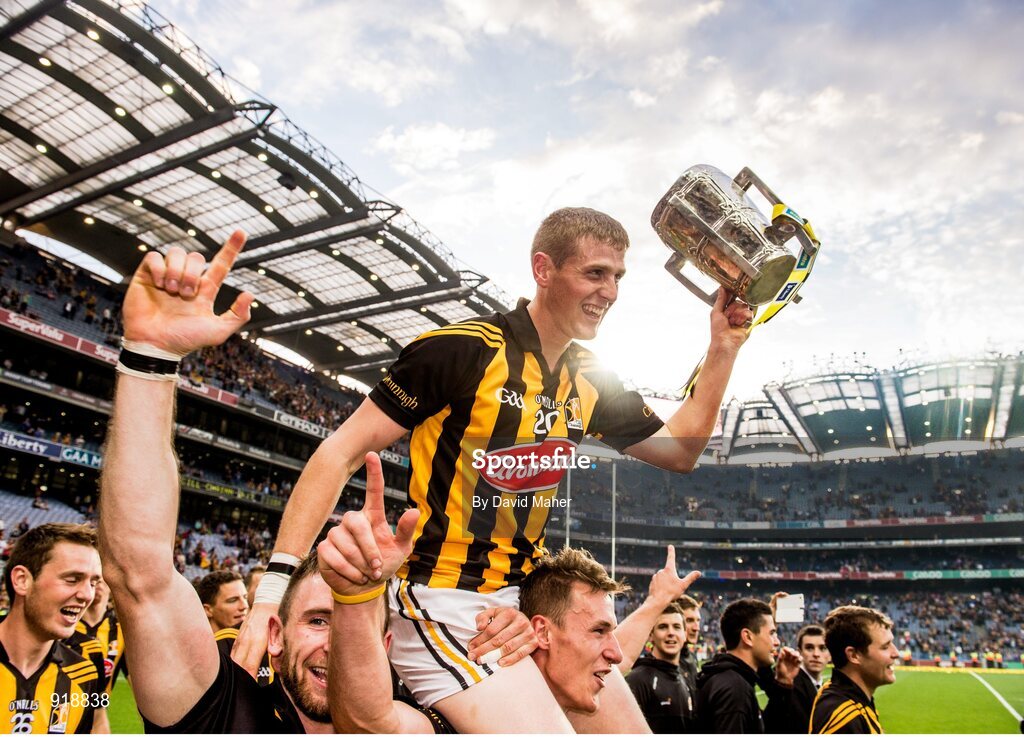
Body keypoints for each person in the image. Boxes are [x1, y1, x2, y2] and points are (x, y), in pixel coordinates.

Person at [242, 207, 754, 732]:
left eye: (618, 277)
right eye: (595, 273)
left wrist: (723, 349)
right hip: (444, 596)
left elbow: (680, 452)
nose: (610, 292)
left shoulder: (592, 380)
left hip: (521, 600)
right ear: (543, 269)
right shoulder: (463, 350)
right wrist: (270, 591)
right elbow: (338, 452)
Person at [97, 233, 530, 733]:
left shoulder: (422, 720)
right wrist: (150, 359)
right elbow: (139, 574)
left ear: (386, 646)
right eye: (318, 620)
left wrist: (516, 622)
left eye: (357, 622)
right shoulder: (225, 710)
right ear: (275, 635)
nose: (335, 643)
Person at [315, 457, 638, 732]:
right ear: (540, 631)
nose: (616, 654)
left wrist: (656, 602)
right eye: (599, 631)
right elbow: (371, 728)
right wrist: (357, 598)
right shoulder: (457, 709)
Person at [0, 523, 104, 734]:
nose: (87, 595)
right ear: (22, 580)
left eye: (93, 583)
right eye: (72, 579)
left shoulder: (83, 675)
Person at [695, 598, 800, 733]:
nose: (777, 642)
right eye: (772, 633)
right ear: (748, 637)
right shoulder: (734, 689)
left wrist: (783, 684)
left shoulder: (728, 678)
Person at [810, 606, 898, 734]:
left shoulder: (839, 694)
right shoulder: (844, 719)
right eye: (885, 647)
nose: (896, 653)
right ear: (854, 655)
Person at [626, 601, 695, 733]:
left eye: (676, 627)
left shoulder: (686, 678)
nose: (671, 633)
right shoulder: (637, 680)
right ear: (651, 635)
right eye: (663, 627)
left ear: (685, 635)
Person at [763, 623, 829, 733]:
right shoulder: (790, 685)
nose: (816, 654)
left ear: (830, 654)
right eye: (809, 648)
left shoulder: (823, 688)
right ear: (799, 652)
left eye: (823, 648)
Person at [678, 594, 702, 705]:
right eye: (690, 620)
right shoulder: (664, 661)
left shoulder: (691, 658)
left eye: (698, 620)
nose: (696, 627)